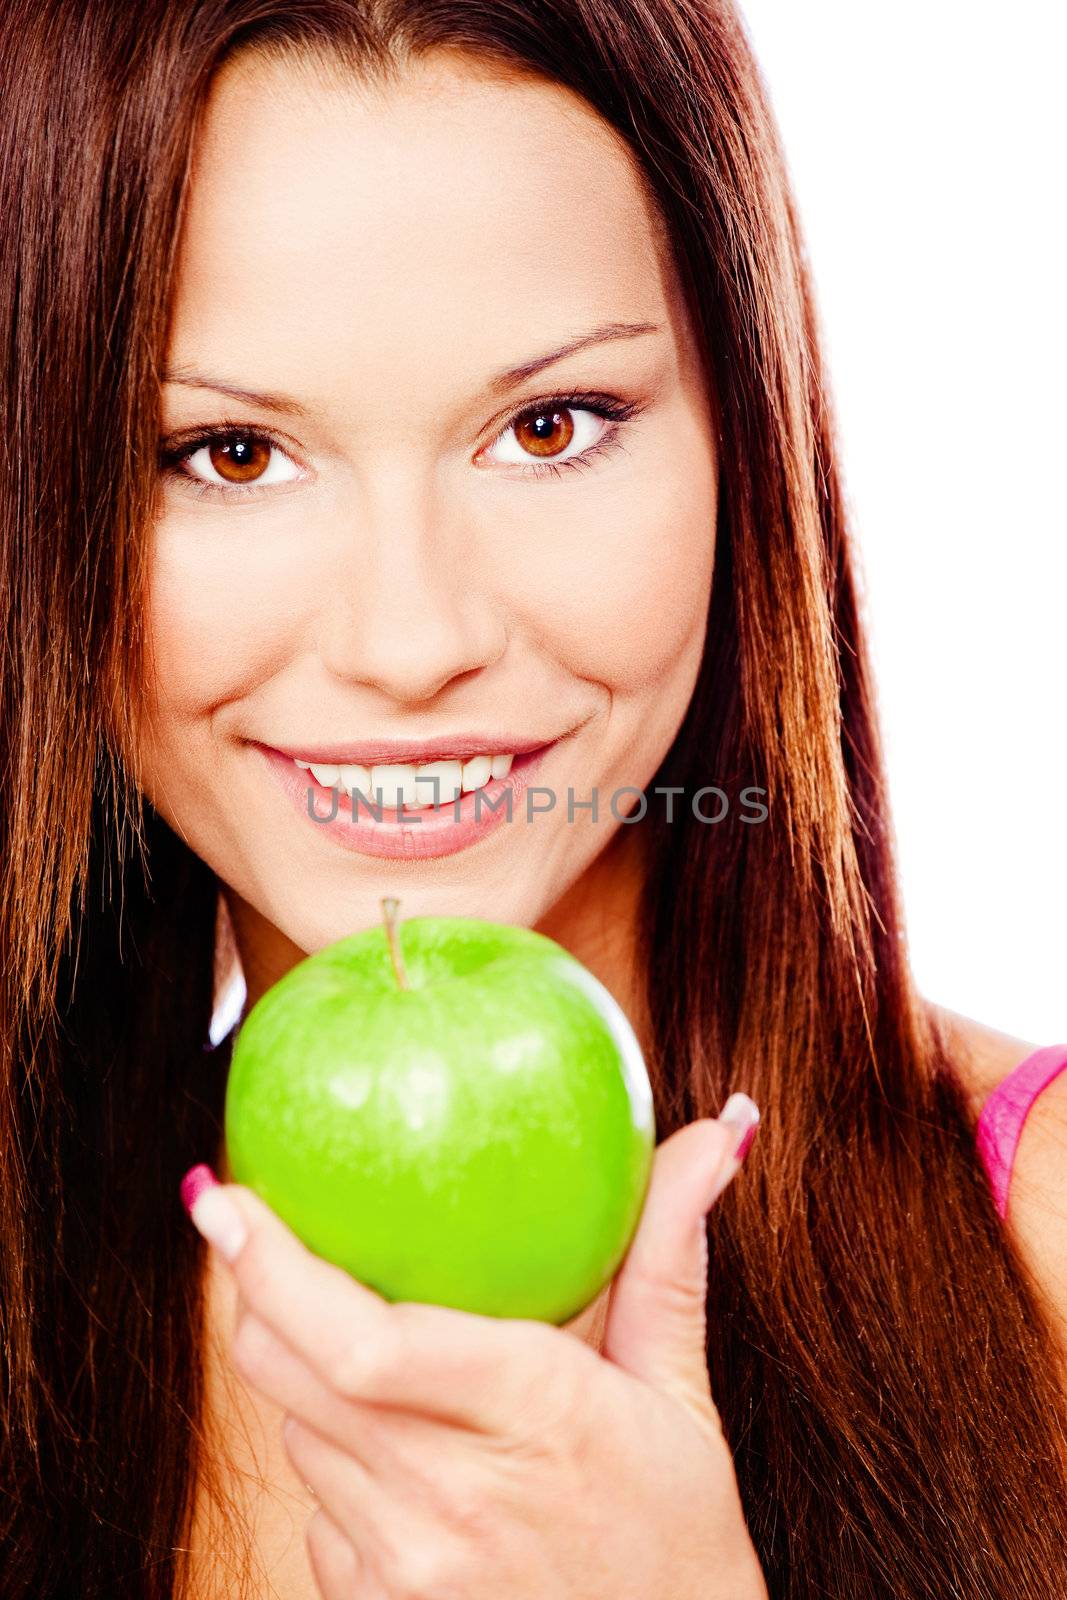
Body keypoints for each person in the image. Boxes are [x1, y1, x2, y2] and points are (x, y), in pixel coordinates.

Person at [1, 2, 1064, 1596]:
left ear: (744, 439)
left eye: (549, 429)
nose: (413, 642)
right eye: (225, 453)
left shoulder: (1042, 1229)